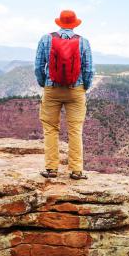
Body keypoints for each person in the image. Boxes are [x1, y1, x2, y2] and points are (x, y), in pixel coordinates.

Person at [35, 9, 94, 180]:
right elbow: (89, 69)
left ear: (59, 23)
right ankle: (76, 170)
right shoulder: (83, 42)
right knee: (75, 130)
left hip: (52, 89)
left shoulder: (46, 39)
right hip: (76, 90)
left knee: (51, 129)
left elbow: (38, 67)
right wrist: (83, 88)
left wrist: (45, 84)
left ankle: (51, 168)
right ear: (74, 24)